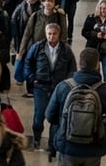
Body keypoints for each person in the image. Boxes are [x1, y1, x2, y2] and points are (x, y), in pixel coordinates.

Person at [30, 24, 77, 153]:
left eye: (54, 34)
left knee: (56, 117)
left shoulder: (66, 49)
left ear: (59, 34)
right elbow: (29, 62)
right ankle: (37, 137)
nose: (51, 36)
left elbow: (72, 68)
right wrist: (31, 78)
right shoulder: (38, 47)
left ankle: (53, 144)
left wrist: (67, 83)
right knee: (39, 115)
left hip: (58, 88)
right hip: (41, 86)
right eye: (49, 33)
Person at [80, 0, 106, 84]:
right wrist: (95, 34)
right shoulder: (91, 18)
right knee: (94, 73)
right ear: (99, 8)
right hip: (93, 50)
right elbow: (84, 32)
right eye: (102, 8)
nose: (104, 11)